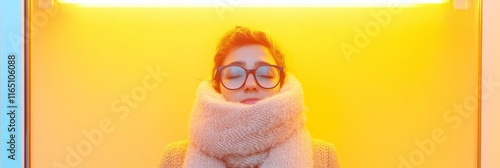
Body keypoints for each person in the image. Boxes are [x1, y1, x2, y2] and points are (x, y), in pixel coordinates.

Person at [157, 26, 341, 168]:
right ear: (218, 85)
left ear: (281, 83)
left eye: (266, 74)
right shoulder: (175, 158)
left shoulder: (322, 156)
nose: (250, 84)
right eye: (235, 74)